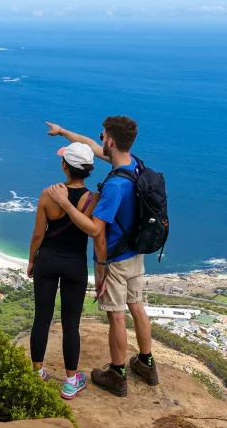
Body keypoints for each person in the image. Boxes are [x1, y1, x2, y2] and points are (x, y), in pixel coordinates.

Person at [44, 116, 158, 397]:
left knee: (117, 316)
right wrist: (62, 133)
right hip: (136, 254)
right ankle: (146, 363)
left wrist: (64, 204)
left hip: (116, 260)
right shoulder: (134, 164)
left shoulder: (114, 187)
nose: (100, 138)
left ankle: (117, 375)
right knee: (137, 306)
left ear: (111, 141)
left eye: (103, 135)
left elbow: (95, 229)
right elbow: (91, 146)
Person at [28, 142, 107, 400]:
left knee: (42, 318)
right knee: (70, 324)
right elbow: (97, 238)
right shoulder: (94, 200)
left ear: (65, 166)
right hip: (74, 264)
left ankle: (36, 373)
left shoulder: (48, 194)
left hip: (47, 261)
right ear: (88, 170)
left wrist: (31, 261)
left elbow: (39, 233)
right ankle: (71, 380)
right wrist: (101, 272)